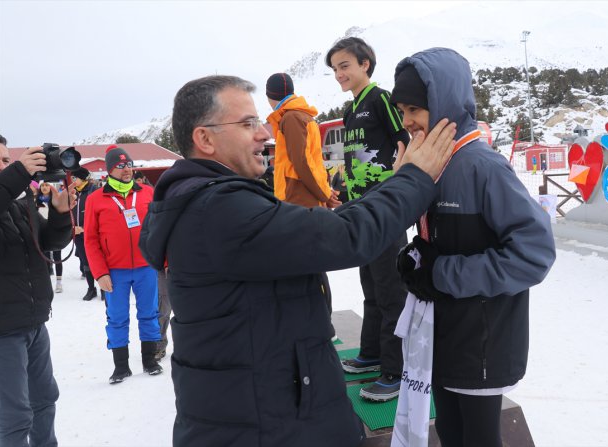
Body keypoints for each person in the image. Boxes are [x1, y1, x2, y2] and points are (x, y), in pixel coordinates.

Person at [138, 75, 457, 447]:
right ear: (204, 139)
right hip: (265, 424)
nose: (262, 135)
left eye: (258, 122)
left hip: (258, 408)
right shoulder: (220, 210)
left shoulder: (210, 201)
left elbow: (325, 225)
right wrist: (415, 179)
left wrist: (395, 184)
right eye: (247, 124)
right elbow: (346, 236)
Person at [391, 48, 556, 447]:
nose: (408, 121)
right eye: (402, 110)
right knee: (449, 430)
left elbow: (533, 253)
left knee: (478, 437)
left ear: (444, 102)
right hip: (442, 331)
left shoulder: (482, 166)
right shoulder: (433, 163)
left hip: (482, 340)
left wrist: (441, 274)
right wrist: (416, 253)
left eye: (417, 108)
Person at [326, 36, 411, 401]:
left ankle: (396, 371)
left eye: (344, 65)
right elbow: (357, 156)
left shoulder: (380, 99)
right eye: (334, 69)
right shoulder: (351, 109)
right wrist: (343, 190)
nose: (339, 73)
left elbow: (404, 135)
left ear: (365, 64)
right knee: (371, 287)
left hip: (387, 209)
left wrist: (402, 175)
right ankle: (372, 353)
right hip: (363, 210)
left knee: (392, 292)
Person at [0, 135, 76, 446]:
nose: (5, 165)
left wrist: (58, 214)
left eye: (7, 159)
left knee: (44, 401)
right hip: (2, 332)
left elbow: (48, 245)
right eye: (0, 161)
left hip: (32, 323)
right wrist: (17, 172)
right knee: (15, 417)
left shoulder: (17, 206)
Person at [265, 72, 340, 335]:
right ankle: (318, 321)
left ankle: (320, 323)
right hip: (304, 198)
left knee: (308, 267)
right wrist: (324, 190)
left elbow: (302, 162)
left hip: (298, 201)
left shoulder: (291, 117)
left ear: (269, 96)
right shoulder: (300, 115)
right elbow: (314, 161)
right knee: (310, 265)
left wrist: (322, 193)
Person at [84, 145, 163, 384]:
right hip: (114, 271)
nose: (126, 169)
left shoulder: (148, 193)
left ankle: (150, 360)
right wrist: (99, 273)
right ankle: (121, 367)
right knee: (117, 317)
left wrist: (164, 260)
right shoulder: (96, 198)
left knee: (149, 314)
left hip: (146, 267)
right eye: (120, 166)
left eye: (128, 164)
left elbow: (160, 229)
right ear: (109, 170)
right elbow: (90, 239)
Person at [70, 167, 101, 301]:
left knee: (98, 261)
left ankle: (104, 288)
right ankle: (91, 288)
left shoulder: (93, 191)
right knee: (85, 261)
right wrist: (72, 227)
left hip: (93, 233)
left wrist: (84, 227)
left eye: (74, 178)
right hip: (78, 234)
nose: (72, 181)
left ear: (82, 178)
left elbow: (99, 213)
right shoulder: (72, 192)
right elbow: (67, 212)